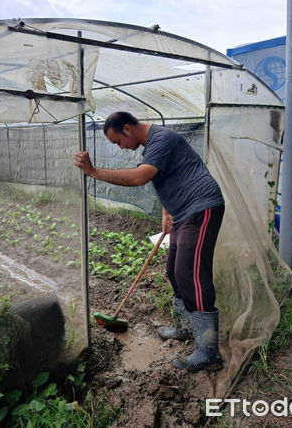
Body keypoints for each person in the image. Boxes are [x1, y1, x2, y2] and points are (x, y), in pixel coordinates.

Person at [73, 111, 225, 372]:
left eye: (118, 142)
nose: (120, 148)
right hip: (183, 213)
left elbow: (139, 177)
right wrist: (167, 213)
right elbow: (165, 180)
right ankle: (185, 328)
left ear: (128, 129)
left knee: (192, 275)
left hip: (201, 207)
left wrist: (94, 172)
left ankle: (209, 352)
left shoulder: (161, 139)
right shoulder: (152, 146)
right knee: (174, 271)